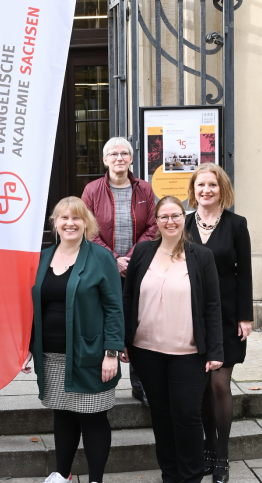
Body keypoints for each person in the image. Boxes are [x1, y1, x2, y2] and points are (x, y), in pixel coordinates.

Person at [21, 196, 124, 483]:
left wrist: (112, 352)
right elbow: (34, 307)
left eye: (76, 218)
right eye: (64, 218)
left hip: (90, 353)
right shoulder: (43, 257)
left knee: (93, 418)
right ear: (55, 222)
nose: (70, 223)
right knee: (63, 414)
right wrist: (28, 348)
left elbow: (113, 307)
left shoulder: (100, 258)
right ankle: (62, 475)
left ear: (86, 223)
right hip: (51, 353)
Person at [122, 195, 223, 483]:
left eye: (176, 216)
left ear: (184, 218)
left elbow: (212, 305)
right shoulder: (143, 252)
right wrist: (122, 341)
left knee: (187, 415)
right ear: (157, 220)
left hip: (188, 352)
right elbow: (128, 298)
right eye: (164, 216)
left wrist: (215, 350)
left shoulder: (200, 256)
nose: (170, 221)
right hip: (146, 350)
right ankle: (170, 474)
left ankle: (191, 478)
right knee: (161, 414)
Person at [184, 164, 253, 483]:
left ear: (221, 188)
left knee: (219, 385)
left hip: (226, 317)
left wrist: (245, 316)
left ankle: (222, 456)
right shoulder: (183, 224)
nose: (206, 190)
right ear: (193, 189)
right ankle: (207, 451)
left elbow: (245, 273)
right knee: (201, 391)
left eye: (212, 185)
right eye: (201, 185)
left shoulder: (237, 225)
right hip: (191, 317)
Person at [82, 136, 157, 407]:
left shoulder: (145, 190)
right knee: (105, 323)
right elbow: (87, 229)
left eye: (124, 153)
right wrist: (114, 259)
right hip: (103, 268)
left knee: (140, 324)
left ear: (132, 158)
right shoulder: (92, 190)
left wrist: (131, 259)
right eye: (113, 154)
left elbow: (154, 225)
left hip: (139, 269)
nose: (119, 158)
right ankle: (104, 382)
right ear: (105, 160)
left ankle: (141, 385)